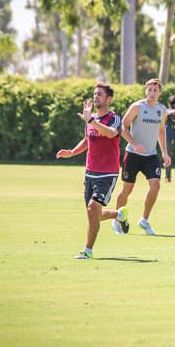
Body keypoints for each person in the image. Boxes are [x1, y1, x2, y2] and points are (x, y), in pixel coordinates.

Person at [55, 83, 125, 260]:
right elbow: (87, 141)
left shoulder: (114, 118)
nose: (96, 97)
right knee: (95, 214)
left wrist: (92, 121)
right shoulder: (91, 118)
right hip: (90, 172)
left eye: (100, 94)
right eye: (94, 94)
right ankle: (119, 214)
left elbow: (110, 133)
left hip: (108, 173)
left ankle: (87, 250)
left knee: (93, 207)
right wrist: (71, 152)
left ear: (108, 99)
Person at [113, 78, 172, 236]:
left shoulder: (161, 109)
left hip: (151, 156)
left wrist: (165, 152)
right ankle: (118, 219)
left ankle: (144, 220)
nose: (152, 93)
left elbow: (161, 130)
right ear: (146, 91)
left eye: (155, 90)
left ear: (160, 92)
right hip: (132, 154)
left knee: (156, 186)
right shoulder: (137, 107)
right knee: (127, 189)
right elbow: (123, 127)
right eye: (150, 90)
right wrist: (134, 143)